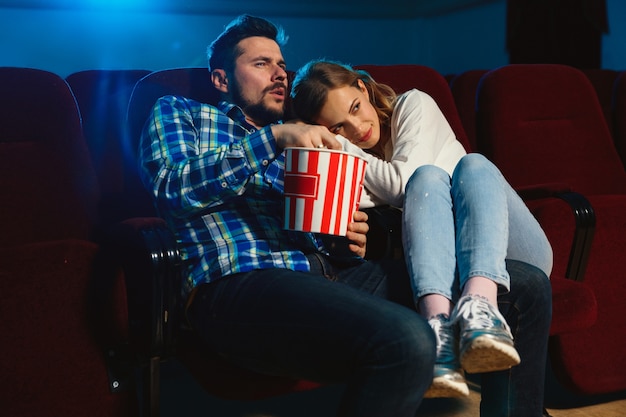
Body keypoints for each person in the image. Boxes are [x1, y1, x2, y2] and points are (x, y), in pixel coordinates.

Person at [139, 14, 552, 417]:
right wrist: (273, 139)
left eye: (282, 64)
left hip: (330, 273)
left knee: (526, 286)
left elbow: (346, 213)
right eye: (261, 64)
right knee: (409, 339)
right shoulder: (183, 112)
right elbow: (172, 187)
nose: (279, 73)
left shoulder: (308, 136)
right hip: (239, 281)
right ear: (222, 79)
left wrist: (350, 235)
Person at [290, 60, 554, 410]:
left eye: (355, 108)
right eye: (339, 127)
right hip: (447, 265)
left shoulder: (414, 104)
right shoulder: (363, 162)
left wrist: (343, 149)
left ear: (363, 88)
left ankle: (481, 303)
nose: (358, 127)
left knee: (464, 167)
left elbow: (401, 182)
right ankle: (438, 328)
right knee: (427, 179)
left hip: (510, 250)